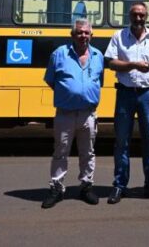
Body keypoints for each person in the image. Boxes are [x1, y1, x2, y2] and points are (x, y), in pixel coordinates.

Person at [104, 1, 149, 204]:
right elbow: (111, 62)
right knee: (121, 141)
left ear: (146, 17)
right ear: (129, 16)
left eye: (142, 15)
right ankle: (119, 186)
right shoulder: (119, 36)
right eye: (135, 15)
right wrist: (132, 65)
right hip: (125, 94)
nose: (138, 18)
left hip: (148, 95)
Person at [41, 18, 104, 209]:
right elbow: (51, 80)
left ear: (91, 35)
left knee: (88, 152)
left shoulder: (98, 55)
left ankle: (86, 186)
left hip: (88, 113)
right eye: (79, 32)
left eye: (86, 32)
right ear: (72, 35)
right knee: (61, 151)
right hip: (65, 113)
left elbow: (98, 81)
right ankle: (57, 188)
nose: (83, 35)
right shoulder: (59, 54)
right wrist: (69, 94)